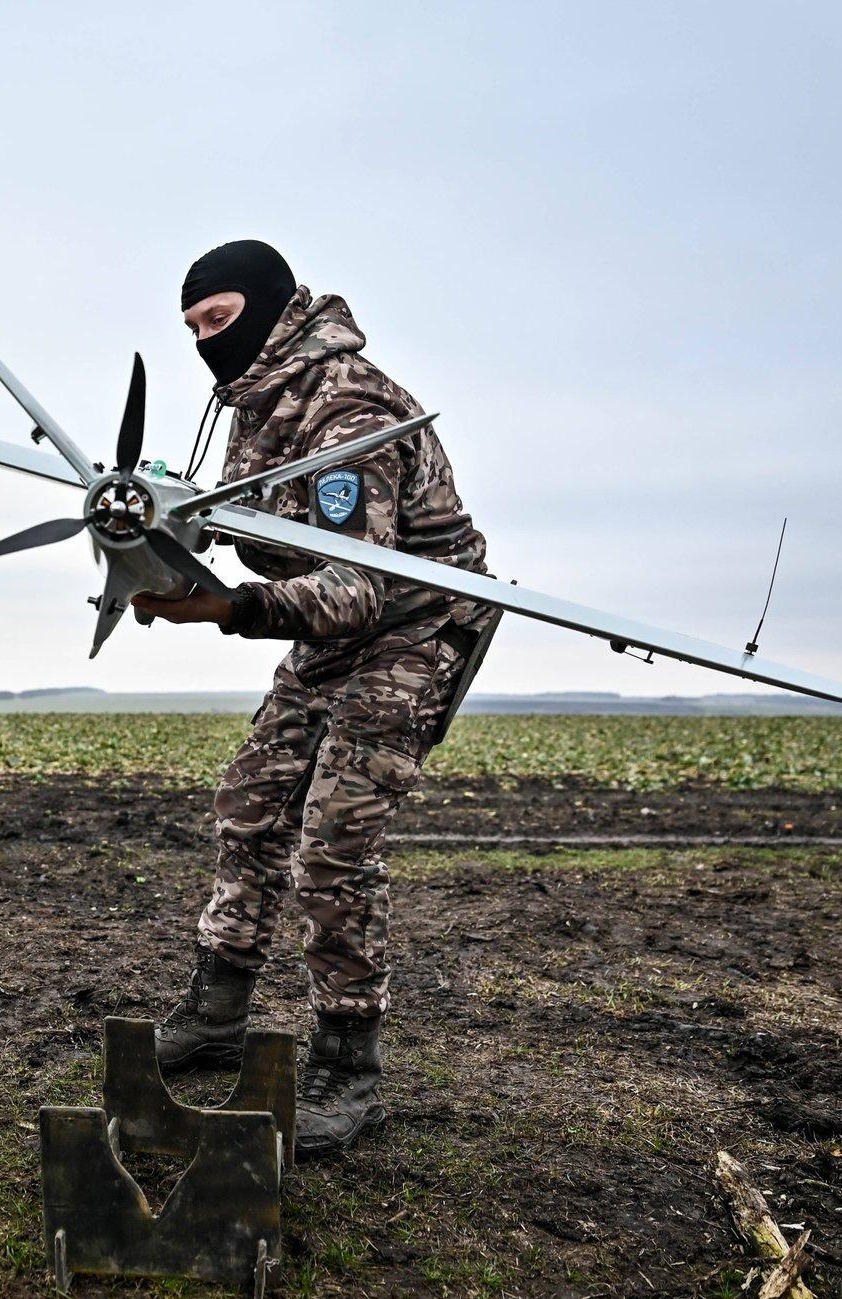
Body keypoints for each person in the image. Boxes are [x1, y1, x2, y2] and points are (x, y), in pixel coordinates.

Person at [134, 239, 493, 1153]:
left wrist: (221, 609)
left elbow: (358, 586)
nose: (208, 343)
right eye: (193, 330)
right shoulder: (257, 403)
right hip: (325, 634)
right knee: (250, 810)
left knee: (333, 842)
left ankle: (347, 1065)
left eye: (219, 321)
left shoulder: (346, 406)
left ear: (268, 308)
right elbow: (257, 527)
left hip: (410, 629)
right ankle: (217, 1010)